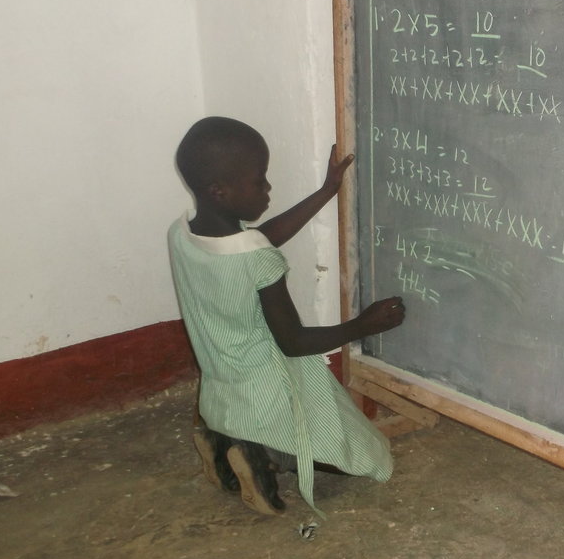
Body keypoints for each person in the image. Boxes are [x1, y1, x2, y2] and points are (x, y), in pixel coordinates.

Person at [168, 116, 405, 516]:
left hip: (224, 382)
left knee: (319, 440)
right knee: (366, 458)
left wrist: (327, 191)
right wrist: (365, 324)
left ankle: (222, 441)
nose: (268, 188)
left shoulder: (183, 234)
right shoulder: (258, 261)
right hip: (270, 386)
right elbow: (293, 343)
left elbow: (264, 233)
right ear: (220, 192)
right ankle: (260, 458)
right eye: (259, 181)